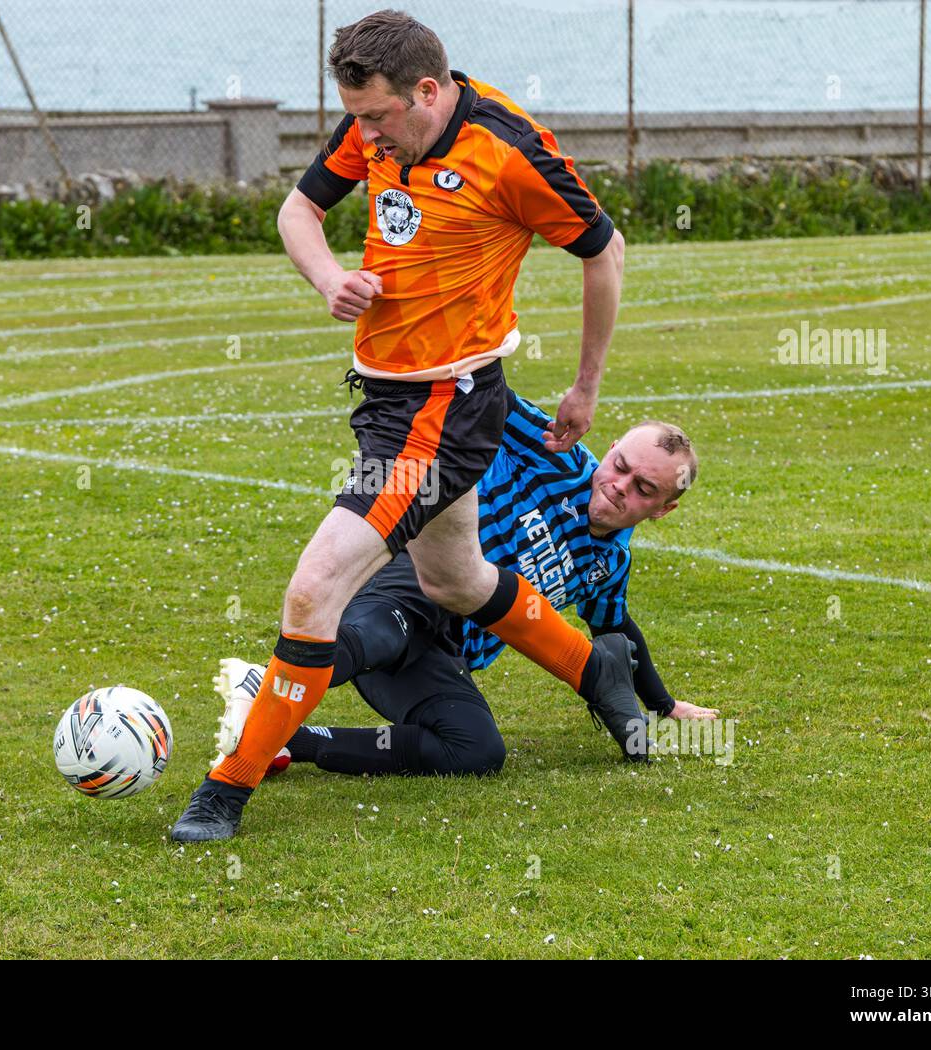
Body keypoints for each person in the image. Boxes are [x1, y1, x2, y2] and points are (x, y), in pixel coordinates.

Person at [172, 10, 628, 842]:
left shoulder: (509, 152)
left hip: (443, 410)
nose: (366, 134)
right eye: (355, 116)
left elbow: (605, 248)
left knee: (315, 587)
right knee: (456, 580)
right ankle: (601, 674)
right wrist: (328, 279)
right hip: (388, 396)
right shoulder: (376, 126)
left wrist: (585, 389)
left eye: (377, 116)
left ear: (428, 90)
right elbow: (296, 214)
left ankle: (224, 791)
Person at [210, 398, 718, 780]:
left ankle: (291, 740)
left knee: (477, 752)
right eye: (620, 467)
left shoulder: (609, 563)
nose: (618, 486)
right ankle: (263, 684)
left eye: (643, 489)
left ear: (663, 509)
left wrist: (664, 705)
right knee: (381, 631)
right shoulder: (555, 456)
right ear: (609, 452)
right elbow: (484, 395)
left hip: (443, 650)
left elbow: (616, 633)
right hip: (416, 576)